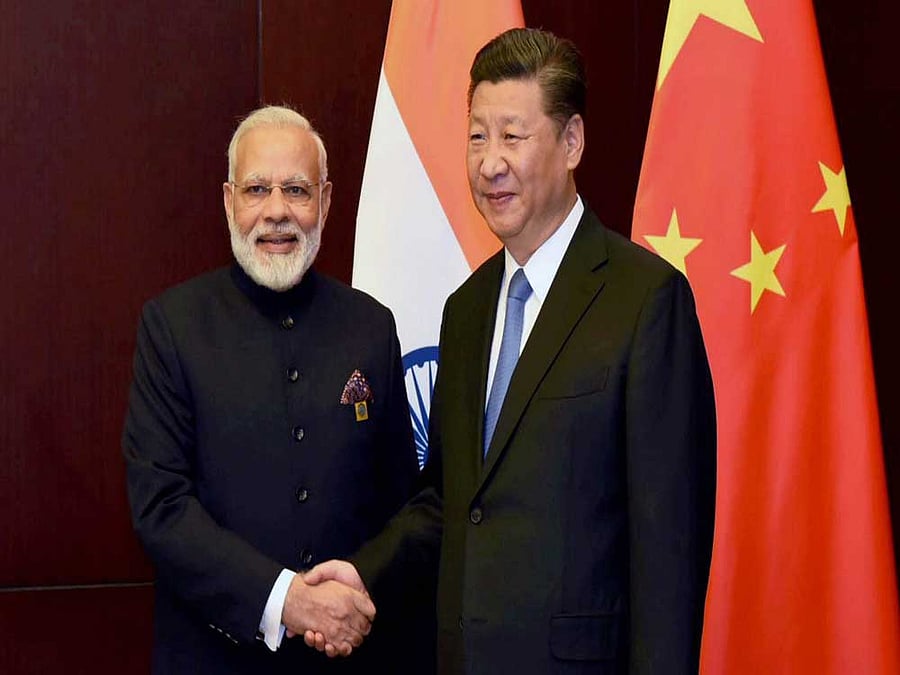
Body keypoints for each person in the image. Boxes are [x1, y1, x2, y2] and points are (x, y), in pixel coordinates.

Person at [306, 28, 717, 674]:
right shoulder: (465, 310)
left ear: (571, 141)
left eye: (512, 136)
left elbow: (670, 550)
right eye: (476, 136)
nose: (489, 161)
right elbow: (450, 500)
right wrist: (365, 572)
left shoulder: (645, 301)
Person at [122, 105, 427, 674]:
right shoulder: (173, 326)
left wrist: (355, 589)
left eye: (297, 190)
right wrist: (289, 600)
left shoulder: (370, 326)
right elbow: (161, 508)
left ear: (327, 201)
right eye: (257, 189)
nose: (277, 212)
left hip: (353, 656)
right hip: (215, 657)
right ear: (229, 201)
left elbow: (403, 503)